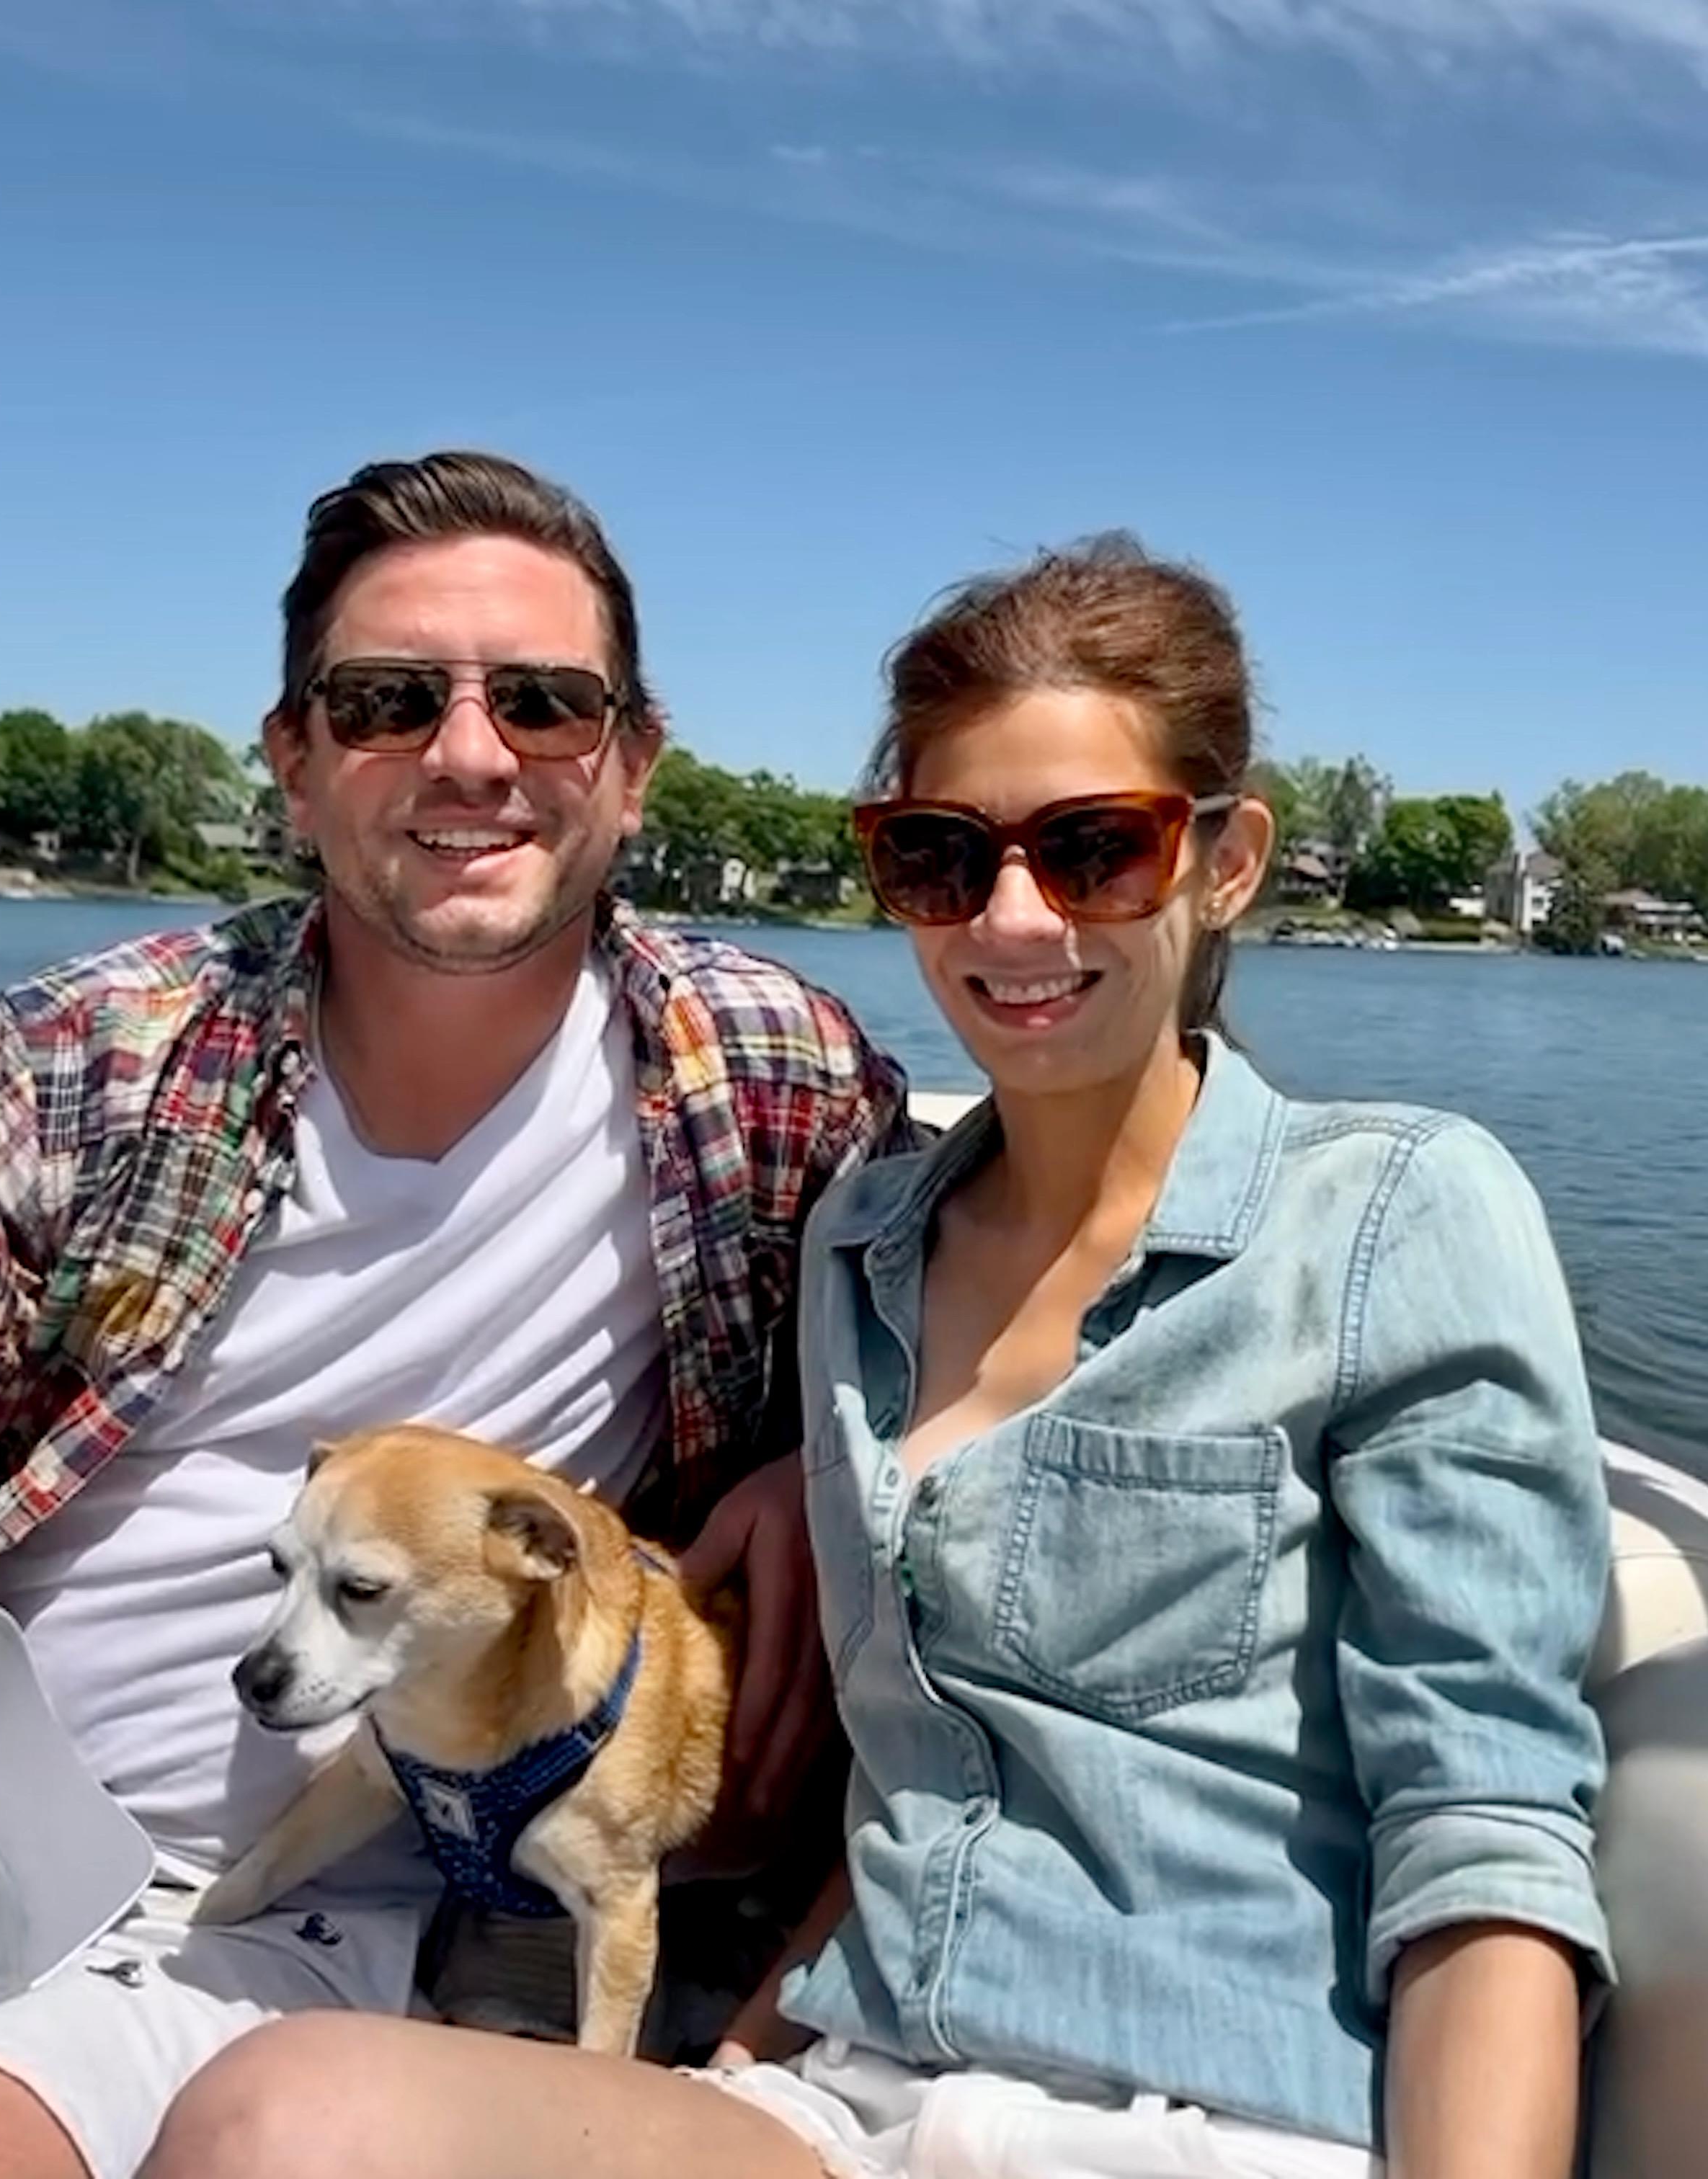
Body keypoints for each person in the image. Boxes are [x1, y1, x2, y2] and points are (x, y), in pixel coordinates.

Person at [140, 535, 1613, 2179]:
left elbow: (1482, 1833)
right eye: (938, 855)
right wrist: (741, 2063)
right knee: (279, 2118)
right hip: (851, 2096)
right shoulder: (854, 1246)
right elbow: (929, 1780)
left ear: (1226, 862)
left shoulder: (1393, 1217)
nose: (1012, 918)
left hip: (1205, 2117)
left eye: (1096, 852)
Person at [0, 450, 912, 2179]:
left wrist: (832, 1465)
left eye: (545, 704)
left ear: (630, 767)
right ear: (294, 760)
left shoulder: (769, 1087)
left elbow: (1003, 1321)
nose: (472, 754)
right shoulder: (79, 1065)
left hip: (248, 1919)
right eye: (388, 701)